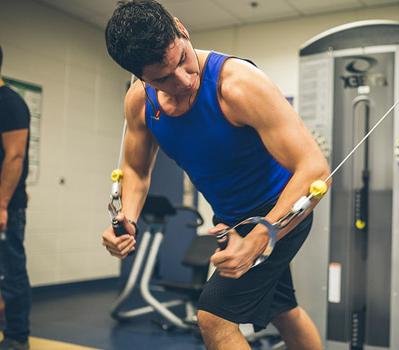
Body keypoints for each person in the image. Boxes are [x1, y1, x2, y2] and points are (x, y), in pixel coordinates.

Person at [102, 1, 329, 349]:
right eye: (163, 78)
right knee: (284, 310)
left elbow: (315, 171)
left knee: (214, 317)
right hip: (230, 218)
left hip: (282, 207)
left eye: (182, 60)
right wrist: (127, 218)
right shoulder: (139, 102)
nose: (184, 79)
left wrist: (259, 239)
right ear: (140, 77)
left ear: (181, 28)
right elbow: (135, 168)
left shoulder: (238, 84)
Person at [0, 45, 31, 350]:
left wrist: (2, 204)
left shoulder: (9, 103)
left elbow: (15, 156)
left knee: (10, 271)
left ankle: (17, 337)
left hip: (6, 206)